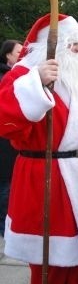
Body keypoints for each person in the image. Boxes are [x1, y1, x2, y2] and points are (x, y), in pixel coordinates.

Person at [0, 14, 78, 284]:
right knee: (48, 278)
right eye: (72, 45)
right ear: (50, 48)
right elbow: (5, 119)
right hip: (44, 184)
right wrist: (36, 81)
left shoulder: (74, 83)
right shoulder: (24, 75)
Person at [0, 40, 22, 236]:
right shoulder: (6, 78)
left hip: (9, 147)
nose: (22, 55)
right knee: (5, 190)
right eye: (18, 52)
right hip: (4, 146)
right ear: (8, 55)